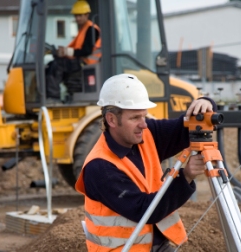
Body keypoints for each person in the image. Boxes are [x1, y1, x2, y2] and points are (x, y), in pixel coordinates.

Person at [75, 73, 217, 251]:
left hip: (158, 245)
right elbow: (144, 210)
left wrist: (206, 104)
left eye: (144, 116)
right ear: (111, 119)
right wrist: (186, 176)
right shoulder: (100, 167)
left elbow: (184, 128)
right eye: (135, 118)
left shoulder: (147, 134)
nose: (143, 124)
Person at [46, 0, 101, 103]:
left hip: (87, 64)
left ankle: (53, 97)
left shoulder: (92, 29)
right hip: (81, 62)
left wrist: (67, 52)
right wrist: (62, 52)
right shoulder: (83, 29)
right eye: (76, 16)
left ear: (87, 15)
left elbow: (86, 50)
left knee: (57, 66)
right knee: (51, 64)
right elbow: (77, 48)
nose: (77, 18)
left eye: (80, 15)